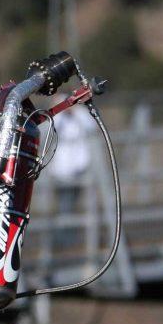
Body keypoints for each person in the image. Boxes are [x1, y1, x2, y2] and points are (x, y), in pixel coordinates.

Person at [46, 96, 92, 250]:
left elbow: (91, 126)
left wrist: (76, 110)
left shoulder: (79, 115)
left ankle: (68, 238)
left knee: (72, 205)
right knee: (64, 206)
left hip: (78, 169)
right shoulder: (59, 118)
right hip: (61, 171)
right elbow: (51, 127)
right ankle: (63, 240)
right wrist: (59, 109)